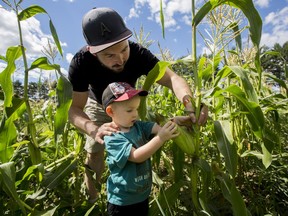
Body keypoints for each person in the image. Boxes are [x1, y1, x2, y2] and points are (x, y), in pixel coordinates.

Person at [68, 7, 208, 202]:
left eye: (123, 49)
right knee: (95, 153)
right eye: (109, 55)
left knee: (137, 148)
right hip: (98, 103)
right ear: (93, 51)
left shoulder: (138, 53)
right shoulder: (81, 62)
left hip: (127, 104)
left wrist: (190, 102)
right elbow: (74, 109)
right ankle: (93, 201)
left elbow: (172, 79)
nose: (120, 59)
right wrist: (93, 129)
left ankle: (134, 196)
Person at [102, 82, 180, 215]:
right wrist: (161, 138)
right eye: (129, 110)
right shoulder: (113, 137)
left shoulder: (138, 126)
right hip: (122, 201)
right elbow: (137, 156)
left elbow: (158, 128)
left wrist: (175, 123)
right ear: (110, 111)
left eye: (137, 109)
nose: (135, 115)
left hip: (142, 196)